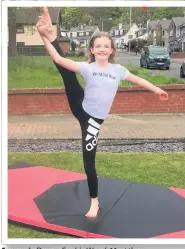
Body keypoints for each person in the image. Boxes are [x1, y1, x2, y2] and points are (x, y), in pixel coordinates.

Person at [36, 7, 168, 218]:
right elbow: (60, 61)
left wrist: (157, 89)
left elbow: (139, 80)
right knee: (66, 73)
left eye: (106, 46)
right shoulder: (88, 67)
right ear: (92, 50)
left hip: (93, 121)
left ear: (112, 50)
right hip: (81, 107)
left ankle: (94, 201)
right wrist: (43, 38)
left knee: (89, 159)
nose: (102, 49)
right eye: (98, 46)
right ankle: (48, 33)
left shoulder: (118, 71)